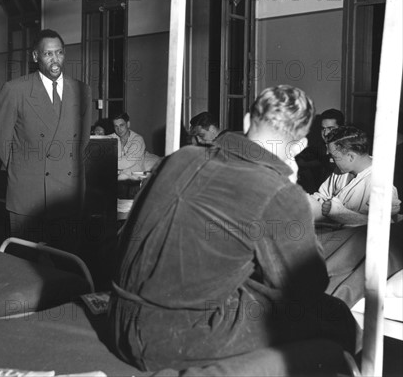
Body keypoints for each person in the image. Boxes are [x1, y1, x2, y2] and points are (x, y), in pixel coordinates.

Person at [108, 85, 356, 371]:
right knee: (331, 312)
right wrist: (292, 193)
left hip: (119, 318)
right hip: (169, 339)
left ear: (248, 121)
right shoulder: (278, 191)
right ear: (299, 142)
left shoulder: (180, 158)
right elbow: (308, 286)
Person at [0, 29, 91, 252]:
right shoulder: (15, 90)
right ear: (36, 57)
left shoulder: (82, 90)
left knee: (68, 261)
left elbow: (82, 141)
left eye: (59, 53)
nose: (55, 60)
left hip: (67, 194)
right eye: (48, 54)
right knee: (24, 262)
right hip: (29, 194)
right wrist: (25, 169)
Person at [309, 125, 400, 227]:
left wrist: (340, 214)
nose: (331, 160)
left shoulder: (379, 185)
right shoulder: (341, 170)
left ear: (351, 157)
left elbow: (385, 227)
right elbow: (323, 195)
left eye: (333, 157)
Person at [111, 112, 149, 180]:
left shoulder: (138, 139)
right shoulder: (112, 138)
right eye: (116, 126)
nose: (119, 129)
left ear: (128, 124)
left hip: (134, 178)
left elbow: (127, 162)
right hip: (117, 176)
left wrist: (105, 163)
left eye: (121, 125)